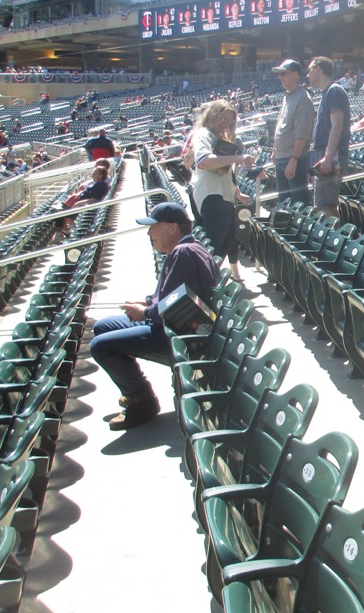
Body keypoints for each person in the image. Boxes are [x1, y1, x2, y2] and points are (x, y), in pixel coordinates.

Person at [89, 202, 220, 431]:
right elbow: (171, 295)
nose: (149, 233)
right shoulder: (182, 249)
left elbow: (176, 306)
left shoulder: (184, 252)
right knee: (102, 327)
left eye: (154, 227)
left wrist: (146, 312)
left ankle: (143, 402)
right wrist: (148, 302)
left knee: (100, 346)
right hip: (168, 322)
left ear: (172, 228)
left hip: (179, 333)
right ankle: (135, 391)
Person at [188, 100, 254, 281]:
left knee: (227, 240)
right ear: (212, 114)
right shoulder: (204, 133)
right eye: (222, 117)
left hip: (223, 195)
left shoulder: (220, 137)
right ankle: (203, 285)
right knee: (215, 246)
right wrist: (239, 157)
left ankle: (206, 281)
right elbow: (204, 161)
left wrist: (238, 192)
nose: (226, 122)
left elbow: (227, 173)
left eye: (230, 120)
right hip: (212, 195)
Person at [308, 56, 350, 219]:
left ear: (318, 68)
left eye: (310, 69)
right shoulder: (327, 92)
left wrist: (328, 156)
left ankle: (333, 243)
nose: (308, 74)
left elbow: (337, 125)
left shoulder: (334, 90)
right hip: (325, 155)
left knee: (325, 208)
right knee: (325, 206)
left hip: (330, 156)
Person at [270, 58, 314, 206]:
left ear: (295, 75)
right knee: (284, 204)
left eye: (284, 74)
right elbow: (281, 125)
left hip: (294, 159)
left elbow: (302, 134)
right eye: (279, 75)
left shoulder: (303, 99)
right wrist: (275, 149)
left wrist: (294, 159)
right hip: (282, 158)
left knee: (299, 205)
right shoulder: (287, 97)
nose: (280, 78)